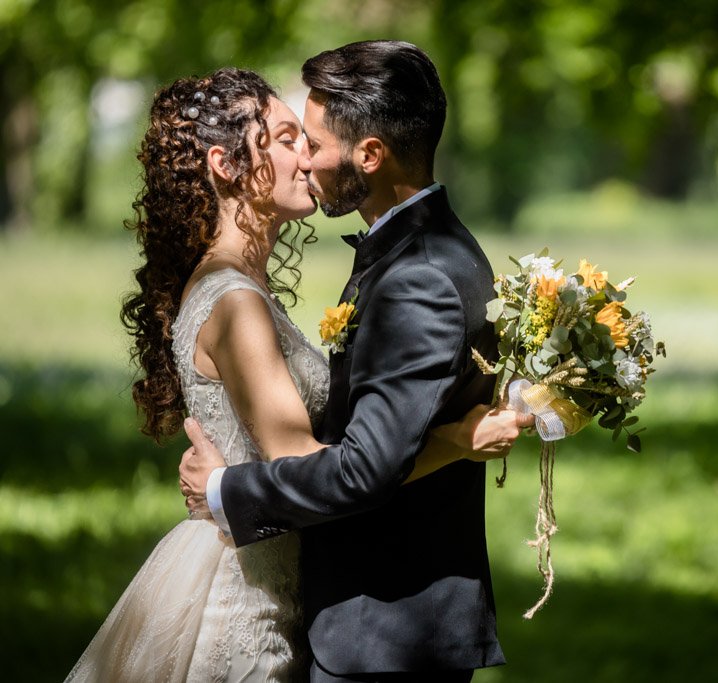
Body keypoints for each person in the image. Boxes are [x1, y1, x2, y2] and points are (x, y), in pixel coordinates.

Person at [66, 66, 523, 682]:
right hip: (248, 590)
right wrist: (457, 441)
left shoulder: (246, 290)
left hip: (287, 576)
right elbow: (316, 462)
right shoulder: (235, 303)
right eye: (287, 140)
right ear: (228, 166)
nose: (307, 158)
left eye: (306, 140)